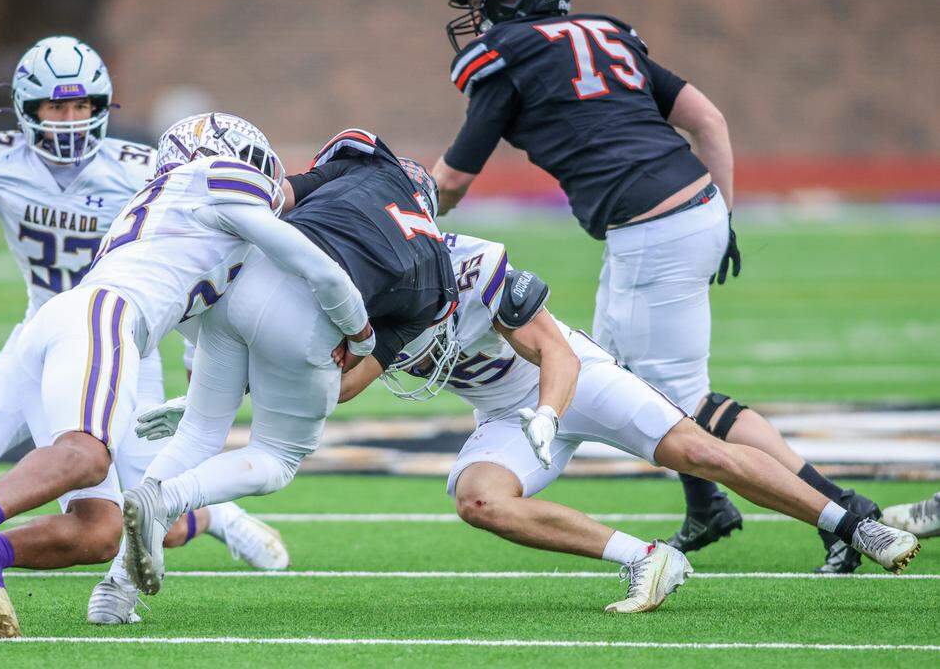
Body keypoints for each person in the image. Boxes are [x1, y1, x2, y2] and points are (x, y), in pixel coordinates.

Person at [431, 0, 878, 571]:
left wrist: (396, 216)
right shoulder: (605, 35)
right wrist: (723, 214)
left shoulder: (509, 57)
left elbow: (451, 181)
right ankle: (708, 507)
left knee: (674, 404)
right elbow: (708, 122)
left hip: (652, 228)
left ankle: (842, 512)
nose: (474, 18)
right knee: (625, 377)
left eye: (479, 1)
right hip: (687, 210)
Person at [0, 37, 285, 592]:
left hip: (124, 340)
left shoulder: (140, 168)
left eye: (81, 106)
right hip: (41, 334)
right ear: (25, 109)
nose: (68, 120)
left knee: (147, 509)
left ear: (101, 107)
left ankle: (215, 519)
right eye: (55, 107)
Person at [0, 112, 370, 638]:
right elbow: (311, 260)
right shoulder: (218, 178)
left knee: (98, 532)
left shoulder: (181, 212)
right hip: (104, 317)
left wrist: (199, 398)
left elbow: (206, 333)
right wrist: (361, 334)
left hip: (68, 326)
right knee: (86, 456)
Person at [344, 232, 920, 612]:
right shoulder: (357, 298)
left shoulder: (470, 265)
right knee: (479, 500)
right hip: (502, 411)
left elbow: (557, 355)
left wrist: (548, 413)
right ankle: (647, 559)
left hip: (573, 378)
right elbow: (346, 386)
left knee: (701, 453)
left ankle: (854, 527)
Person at [120, 130, 458, 597]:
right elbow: (347, 384)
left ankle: (115, 591)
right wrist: (348, 341)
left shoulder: (368, 166)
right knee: (277, 457)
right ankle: (167, 499)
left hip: (243, 280)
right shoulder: (440, 278)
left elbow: (277, 195)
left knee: (198, 432)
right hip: (311, 310)